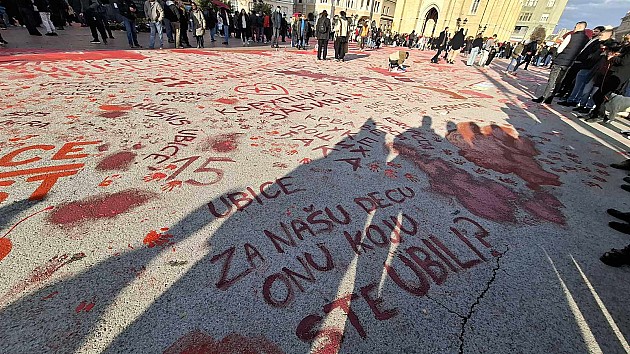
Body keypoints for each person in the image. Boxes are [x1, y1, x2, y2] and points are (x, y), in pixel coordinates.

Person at [532, 21, 590, 104]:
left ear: (578, 27)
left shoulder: (571, 36)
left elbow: (560, 49)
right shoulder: (586, 39)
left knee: (552, 80)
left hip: (561, 60)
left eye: (575, 27)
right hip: (570, 63)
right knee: (559, 81)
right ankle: (551, 97)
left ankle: (544, 97)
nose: (574, 28)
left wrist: (557, 53)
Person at [559, 26, 614, 107]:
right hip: (586, 65)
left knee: (582, 86)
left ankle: (575, 100)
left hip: (592, 67)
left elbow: (596, 56)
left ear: (608, 35)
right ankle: (572, 99)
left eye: (602, 34)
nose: (600, 35)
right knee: (578, 84)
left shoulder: (606, 45)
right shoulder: (597, 42)